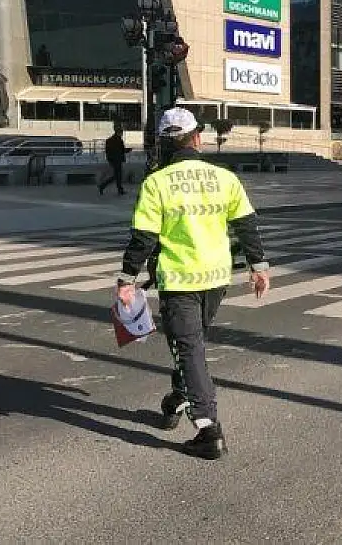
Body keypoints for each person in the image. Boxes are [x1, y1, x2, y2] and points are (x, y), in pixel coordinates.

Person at [115, 107, 271, 460]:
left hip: (179, 279)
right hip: (216, 278)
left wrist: (127, 278)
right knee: (189, 346)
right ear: (197, 138)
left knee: (189, 349)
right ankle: (176, 398)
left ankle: (208, 428)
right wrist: (258, 266)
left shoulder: (156, 183)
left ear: (164, 144)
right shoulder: (224, 178)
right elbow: (246, 225)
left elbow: (143, 238)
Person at [99, 127, 130, 196]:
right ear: (119, 133)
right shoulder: (119, 140)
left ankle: (118, 189)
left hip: (112, 160)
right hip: (118, 160)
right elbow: (122, 150)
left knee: (117, 175)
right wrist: (129, 150)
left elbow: (107, 151)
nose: (122, 134)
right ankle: (103, 186)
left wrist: (109, 159)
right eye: (121, 133)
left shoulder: (109, 140)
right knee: (117, 175)